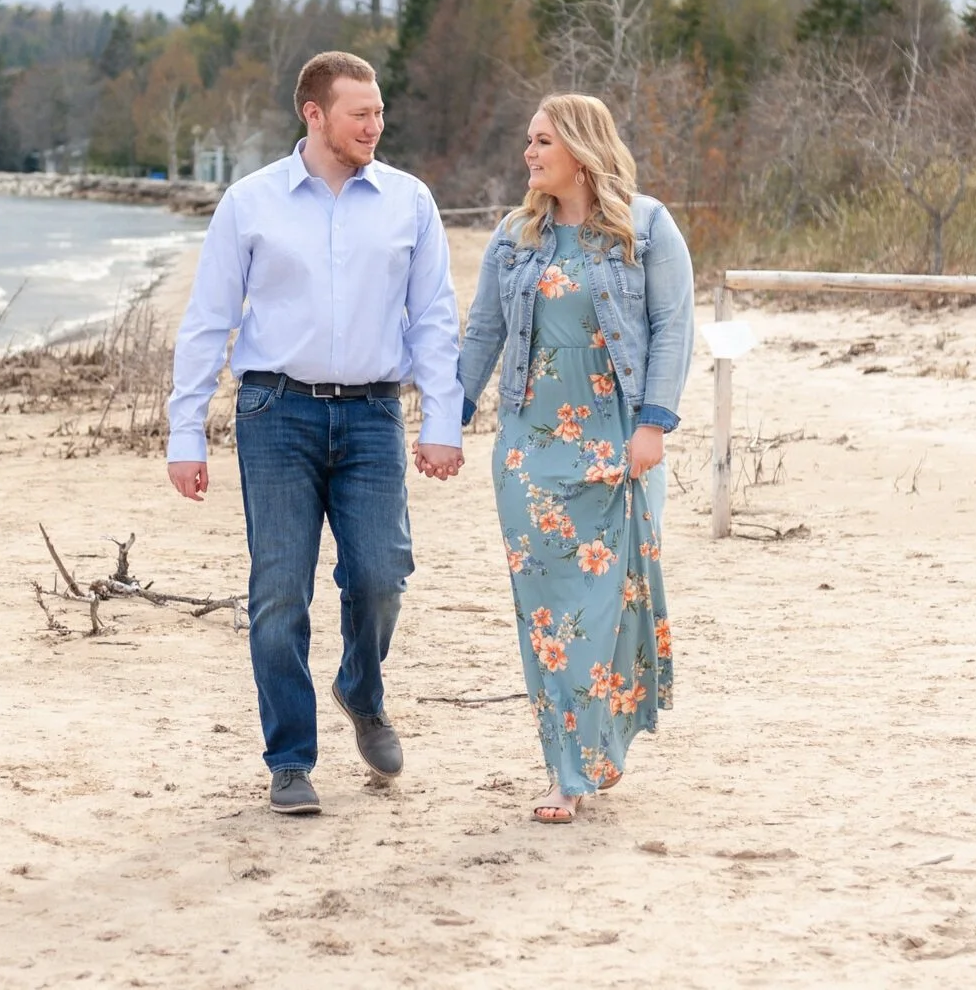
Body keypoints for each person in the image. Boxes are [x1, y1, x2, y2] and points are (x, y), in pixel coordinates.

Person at [167, 51, 465, 817]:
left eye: (379, 114)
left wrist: (441, 420)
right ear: (314, 114)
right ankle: (291, 758)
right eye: (359, 113)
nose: (375, 125)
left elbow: (432, 319)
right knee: (278, 594)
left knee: (379, 577)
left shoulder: (409, 202)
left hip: (372, 416)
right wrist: (186, 432)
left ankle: (361, 691)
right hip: (276, 414)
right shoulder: (251, 202)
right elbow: (209, 320)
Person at [456, 93, 693, 824]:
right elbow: (482, 335)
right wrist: (448, 417)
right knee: (548, 619)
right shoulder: (514, 235)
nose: (529, 154)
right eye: (528, 141)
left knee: (609, 609)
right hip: (531, 451)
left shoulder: (645, 227)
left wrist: (653, 423)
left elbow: (673, 325)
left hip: (617, 444)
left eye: (542, 141)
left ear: (582, 148)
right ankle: (566, 770)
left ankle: (603, 746)